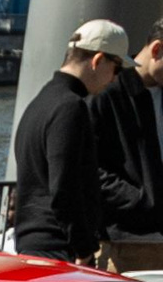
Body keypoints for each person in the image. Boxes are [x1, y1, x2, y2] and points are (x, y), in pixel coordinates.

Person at [12, 19, 127, 264]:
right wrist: (84, 250)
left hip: (32, 244)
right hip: (58, 249)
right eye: (116, 69)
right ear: (97, 61)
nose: (115, 79)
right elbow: (64, 188)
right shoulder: (70, 107)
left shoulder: (40, 102)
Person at [92, 23, 163, 271]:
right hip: (123, 240)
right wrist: (143, 201)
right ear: (156, 50)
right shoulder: (107, 93)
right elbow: (89, 167)